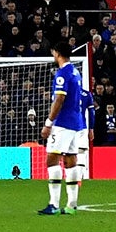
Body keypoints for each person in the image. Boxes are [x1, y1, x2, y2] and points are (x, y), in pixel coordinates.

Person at [40, 37, 88, 215]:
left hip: (63, 123)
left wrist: (48, 123)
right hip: (76, 123)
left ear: (57, 53)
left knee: (52, 159)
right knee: (70, 160)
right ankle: (72, 205)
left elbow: (59, 99)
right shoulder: (75, 72)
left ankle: (53, 204)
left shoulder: (62, 74)